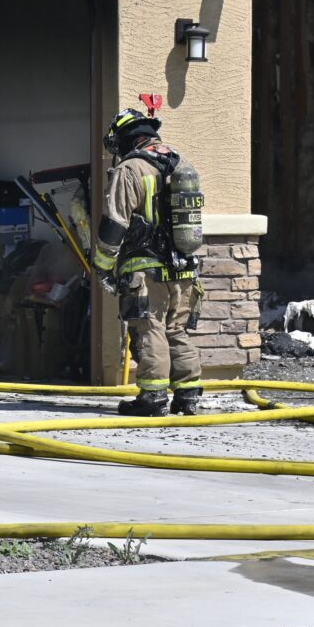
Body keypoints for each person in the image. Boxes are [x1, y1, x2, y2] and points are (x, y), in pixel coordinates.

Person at [92, 108, 204, 417]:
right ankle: (188, 395)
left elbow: (115, 223)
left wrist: (103, 266)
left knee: (149, 329)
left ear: (126, 139)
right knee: (177, 330)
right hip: (184, 269)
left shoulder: (130, 168)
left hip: (145, 269)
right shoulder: (181, 163)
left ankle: (153, 398)